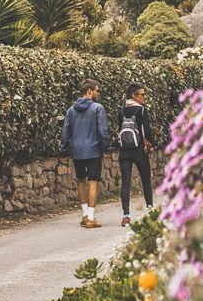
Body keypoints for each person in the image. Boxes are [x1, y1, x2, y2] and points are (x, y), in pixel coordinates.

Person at [60, 77, 111, 228]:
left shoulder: (70, 110)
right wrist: (106, 148)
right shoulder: (97, 108)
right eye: (97, 91)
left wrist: (64, 150)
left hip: (77, 151)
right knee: (93, 182)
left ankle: (83, 215)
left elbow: (65, 132)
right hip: (93, 150)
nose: (98, 93)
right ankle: (91, 217)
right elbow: (103, 130)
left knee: (81, 181)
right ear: (89, 91)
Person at [117, 82, 154, 226]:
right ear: (134, 95)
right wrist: (150, 144)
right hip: (139, 150)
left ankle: (126, 216)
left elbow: (120, 128)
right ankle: (150, 210)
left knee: (126, 182)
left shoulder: (122, 110)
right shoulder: (141, 110)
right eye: (142, 94)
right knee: (146, 180)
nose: (144, 97)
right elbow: (147, 131)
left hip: (124, 151)